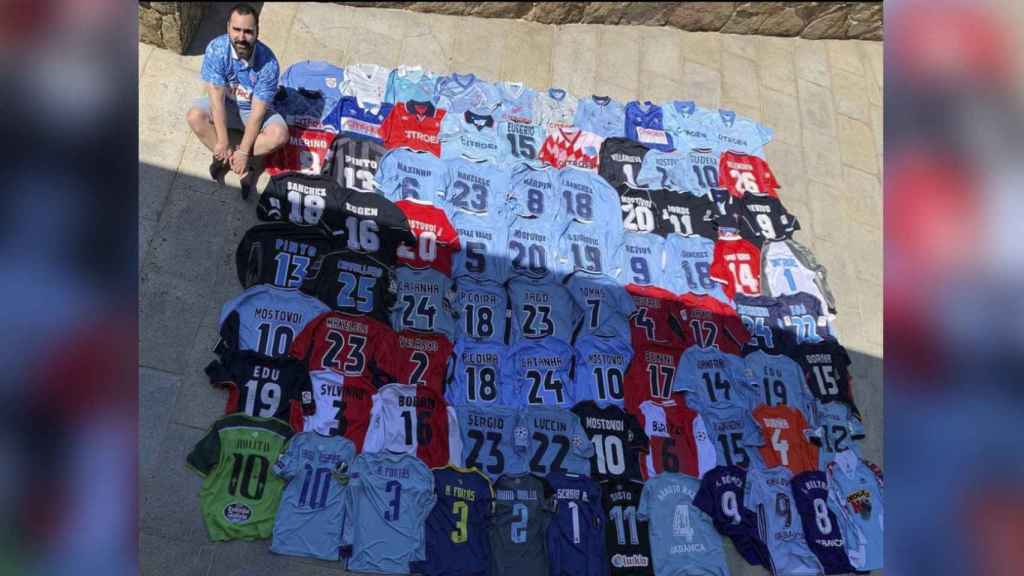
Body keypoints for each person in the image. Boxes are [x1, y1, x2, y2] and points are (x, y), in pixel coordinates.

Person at [185, 3, 288, 198]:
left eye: (248, 31)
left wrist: (244, 151)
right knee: (194, 116)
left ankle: (241, 159)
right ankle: (227, 157)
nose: (241, 37)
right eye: (236, 29)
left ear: (257, 32)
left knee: (279, 135)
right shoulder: (216, 50)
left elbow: (257, 114)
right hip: (227, 104)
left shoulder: (268, 63)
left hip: (251, 108)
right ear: (228, 28)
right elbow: (216, 100)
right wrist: (223, 141)